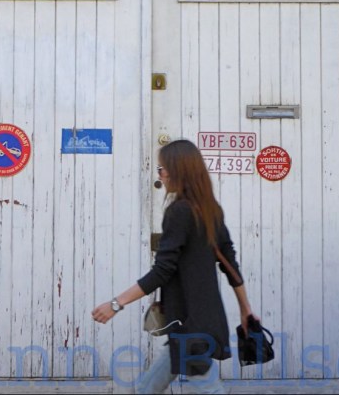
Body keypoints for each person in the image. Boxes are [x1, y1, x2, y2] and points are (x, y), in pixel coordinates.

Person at [92, 139, 258, 394]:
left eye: (162, 169)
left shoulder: (179, 212)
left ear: (178, 170)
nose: (160, 175)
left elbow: (162, 270)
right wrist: (245, 310)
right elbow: (230, 264)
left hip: (190, 322)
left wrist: (116, 304)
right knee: (147, 388)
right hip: (200, 318)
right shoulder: (210, 209)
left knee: (207, 388)